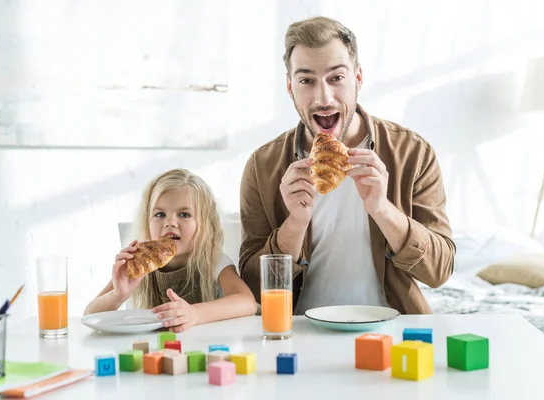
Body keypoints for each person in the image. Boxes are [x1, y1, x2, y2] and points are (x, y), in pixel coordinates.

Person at [239, 16, 455, 315]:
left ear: (358, 78)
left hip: (392, 329)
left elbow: (440, 271)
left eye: (336, 78)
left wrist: (383, 210)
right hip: (299, 330)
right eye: (306, 81)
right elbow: (252, 285)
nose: (323, 97)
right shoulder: (262, 166)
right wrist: (295, 224)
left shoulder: (413, 153)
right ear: (290, 87)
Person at [84, 169, 257, 332]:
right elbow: (90, 316)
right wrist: (118, 295)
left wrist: (195, 314)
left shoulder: (213, 260)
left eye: (184, 214)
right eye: (160, 214)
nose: (170, 222)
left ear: (204, 224)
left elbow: (247, 302)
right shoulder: (139, 264)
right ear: (147, 221)